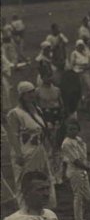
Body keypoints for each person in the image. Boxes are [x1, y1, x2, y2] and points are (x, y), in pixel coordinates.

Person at [6, 81, 57, 209]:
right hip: (25, 149)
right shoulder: (15, 113)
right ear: (22, 95)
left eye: (32, 91)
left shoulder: (37, 110)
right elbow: (13, 135)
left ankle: (44, 206)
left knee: (42, 177)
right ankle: (24, 208)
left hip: (39, 149)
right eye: (27, 92)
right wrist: (18, 154)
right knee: (24, 180)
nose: (31, 94)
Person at [60, 118, 90, 220]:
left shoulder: (79, 139)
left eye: (74, 129)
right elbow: (75, 160)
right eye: (70, 129)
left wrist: (87, 164)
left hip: (82, 170)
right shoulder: (66, 143)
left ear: (78, 129)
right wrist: (87, 167)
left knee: (88, 196)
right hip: (75, 171)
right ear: (66, 131)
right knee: (78, 195)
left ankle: (78, 216)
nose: (72, 131)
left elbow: (83, 155)